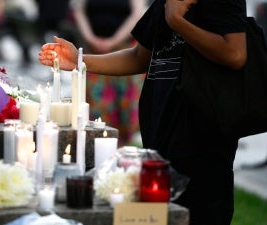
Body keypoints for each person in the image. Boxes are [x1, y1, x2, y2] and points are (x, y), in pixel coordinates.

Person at [39, 0, 247, 224]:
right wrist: (79, 60)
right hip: (159, 131)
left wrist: (177, 21)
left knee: (197, 214)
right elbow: (139, 56)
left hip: (201, 139)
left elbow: (235, 53)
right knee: (156, 216)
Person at [73, 0, 146, 146]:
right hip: (94, 52)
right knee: (96, 107)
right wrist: (90, 38)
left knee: (124, 107)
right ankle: (97, 149)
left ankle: (121, 150)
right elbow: (79, 11)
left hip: (125, 51)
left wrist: (113, 41)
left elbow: (138, 13)